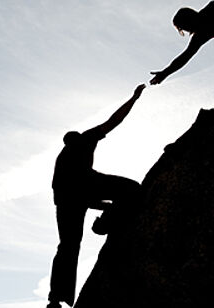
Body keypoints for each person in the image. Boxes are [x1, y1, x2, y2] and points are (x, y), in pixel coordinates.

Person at [46, 84, 146, 308]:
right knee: (131, 189)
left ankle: (55, 298)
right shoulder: (77, 148)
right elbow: (113, 121)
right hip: (78, 193)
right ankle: (56, 297)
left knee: (68, 246)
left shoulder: (74, 150)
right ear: (71, 142)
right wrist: (133, 99)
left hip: (76, 194)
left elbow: (113, 121)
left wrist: (133, 99)